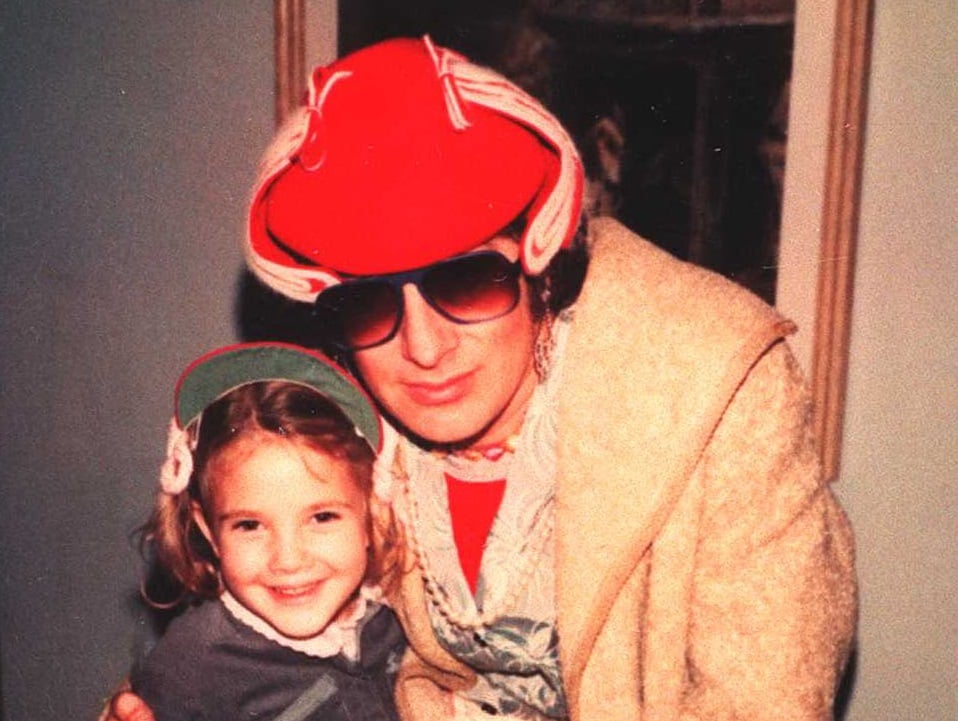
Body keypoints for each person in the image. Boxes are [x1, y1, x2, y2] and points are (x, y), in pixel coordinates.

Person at [109, 36, 856, 721]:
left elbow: (769, 700)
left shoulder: (723, 386)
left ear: (539, 263)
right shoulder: (341, 422)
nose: (423, 348)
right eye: (371, 301)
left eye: (465, 282)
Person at [129, 342, 405, 721]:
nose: (288, 560)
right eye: (250, 525)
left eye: (322, 517)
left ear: (372, 512)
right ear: (209, 531)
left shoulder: (404, 619)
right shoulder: (190, 668)